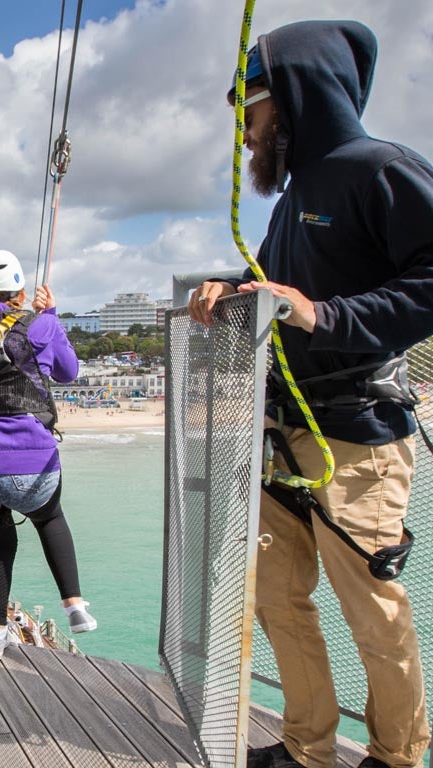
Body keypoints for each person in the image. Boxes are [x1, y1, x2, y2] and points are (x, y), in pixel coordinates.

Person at [189, 21, 433, 768]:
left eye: (252, 116)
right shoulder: (291, 201)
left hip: (356, 438)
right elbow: (278, 291)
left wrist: (322, 316)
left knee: (373, 615)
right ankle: (307, 750)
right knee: (277, 600)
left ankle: (396, 758)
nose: (247, 137)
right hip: (280, 436)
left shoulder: (380, 169)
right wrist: (232, 291)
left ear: (291, 100)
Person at [0, 249, 96, 662]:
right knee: (49, 518)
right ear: (21, 290)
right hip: (30, 459)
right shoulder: (43, 325)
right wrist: (50, 317)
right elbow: (69, 372)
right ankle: (75, 606)